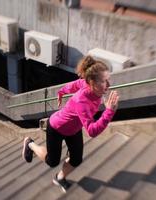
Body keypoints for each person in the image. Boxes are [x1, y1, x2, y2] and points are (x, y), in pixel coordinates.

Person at [22, 55, 119, 193]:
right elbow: (91, 131)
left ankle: (59, 178)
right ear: (92, 82)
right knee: (52, 161)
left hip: (74, 129)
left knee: (76, 160)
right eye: (103, 81)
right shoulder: (82, 101)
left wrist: (61, 92)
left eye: (108, 79)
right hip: (56, 127)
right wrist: (109, 112)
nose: (108, 85)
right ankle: (30, 144)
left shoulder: (87, 84)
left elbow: (73, 85)